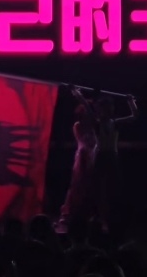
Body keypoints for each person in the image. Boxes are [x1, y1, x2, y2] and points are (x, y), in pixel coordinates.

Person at [91, 92, 138, 231]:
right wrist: (76, 93)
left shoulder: (115, 123)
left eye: (109, 108)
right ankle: (99, 216)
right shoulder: (97, 122)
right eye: (105, 108)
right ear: (100, 109)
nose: (107, 111)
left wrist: (131, 101)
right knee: (98, 187)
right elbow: (87, 107)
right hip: (101, 156)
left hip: (112, 155)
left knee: (113, 186)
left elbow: (135, 116)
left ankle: (111, 216)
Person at [59, 88, 98, 229]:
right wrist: (79, 96)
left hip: (93, 156)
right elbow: (84, 143)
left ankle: (86, 214)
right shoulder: (78, 126)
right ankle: (69, 213)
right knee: (77, 185)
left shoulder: (95, 126)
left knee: (91, 186)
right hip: (83, 157)